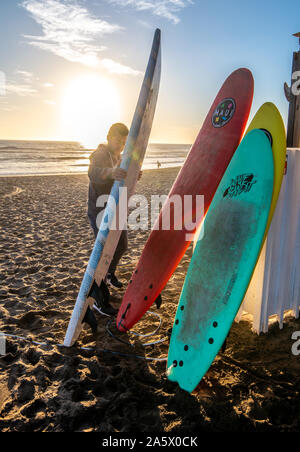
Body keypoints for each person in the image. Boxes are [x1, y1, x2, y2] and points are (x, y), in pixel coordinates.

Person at [87, 123, 130, 316]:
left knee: (121, 245)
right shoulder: (101, 153)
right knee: (103, 251)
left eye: (124, 142)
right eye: (118, 140)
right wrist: (111, 172)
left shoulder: (119, 157)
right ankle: (98, 298)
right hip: (99, 211)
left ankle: (110, 273)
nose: (121, 145)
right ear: (108, 136)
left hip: (113, 209)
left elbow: (120, 178)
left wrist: (132, 175)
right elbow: (93, 172)